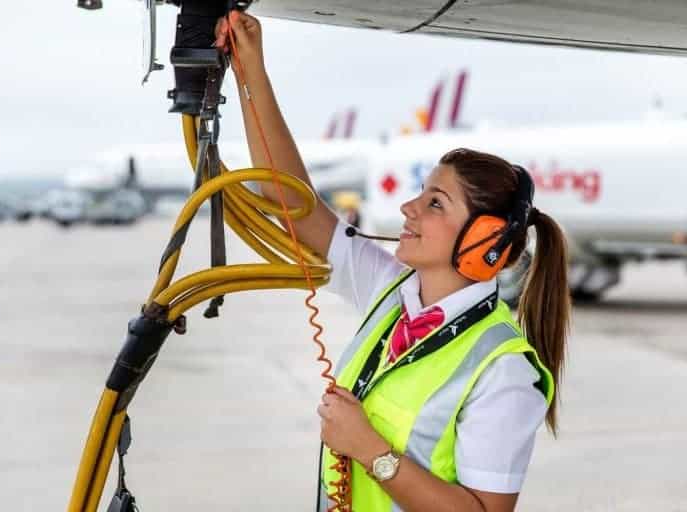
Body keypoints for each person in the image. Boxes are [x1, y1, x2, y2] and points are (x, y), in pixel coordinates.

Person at [215, 12, 570, 512]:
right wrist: (250, 70)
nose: (409, 208)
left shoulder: (504, 370)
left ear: (484, 242)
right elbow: (291, 202)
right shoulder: (391, 292)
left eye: (435, 203)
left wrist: (368, 448)